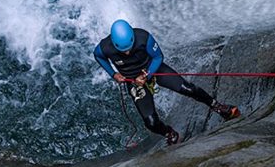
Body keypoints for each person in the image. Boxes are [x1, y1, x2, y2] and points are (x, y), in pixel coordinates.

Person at [94, 19, 239, 144]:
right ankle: (169, 133)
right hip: (133, 80)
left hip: (153, 69)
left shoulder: (143, 37)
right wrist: (113, 74)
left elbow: (158, 57)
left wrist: (148, 74)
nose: (127, 53)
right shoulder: (105, 47)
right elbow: (98, 56)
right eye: (123, 50)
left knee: (188, 89)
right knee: (150, 122)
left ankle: (218, 106)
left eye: (129, 48)